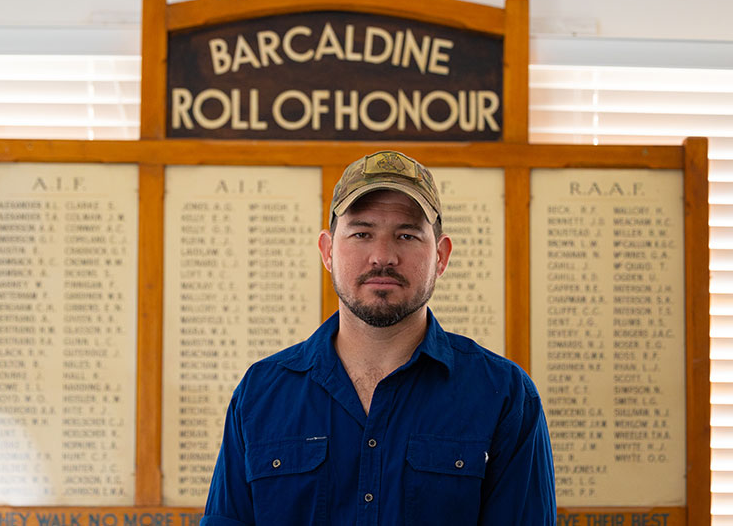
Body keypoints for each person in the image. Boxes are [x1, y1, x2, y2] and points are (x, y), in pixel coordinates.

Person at [200, 151, 557, 525]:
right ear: (327, 251)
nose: (382, 256)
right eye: (361, 233)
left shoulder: (505, 396)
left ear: (441, 256)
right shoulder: (260, 394)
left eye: (406, 234)